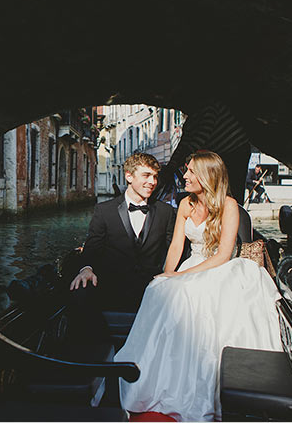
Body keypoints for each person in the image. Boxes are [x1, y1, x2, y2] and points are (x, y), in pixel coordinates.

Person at [114, 151, 282, 421]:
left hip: (220, 267)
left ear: (206, 175)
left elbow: (223, 255)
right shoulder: (185, 205)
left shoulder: (229, 206)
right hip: (190, 264)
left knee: (190, 293)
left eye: (191, 171)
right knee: (158, 289)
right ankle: (160, 377)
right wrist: (168, 274)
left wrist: (181, 277)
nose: (185, 176)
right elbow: (176, 247)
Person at [68, 153, 176, 340]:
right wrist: (86, 269)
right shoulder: (104, 210)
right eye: (146, 175)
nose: (152, 181)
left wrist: (169, 274)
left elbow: (172, 248)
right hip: (112, 284)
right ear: (129, 176)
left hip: (150, 286)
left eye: (155, 177)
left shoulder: (166, 212)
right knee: (79, 292)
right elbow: (93, 246)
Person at [154, 103, 250, 204]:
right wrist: (172, 166)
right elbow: (184, 144)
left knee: (231, 192)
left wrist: (172, 167)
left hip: (235, 151)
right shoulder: (193, 119)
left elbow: (197, 142)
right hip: (223, 153)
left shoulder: (209, 108)